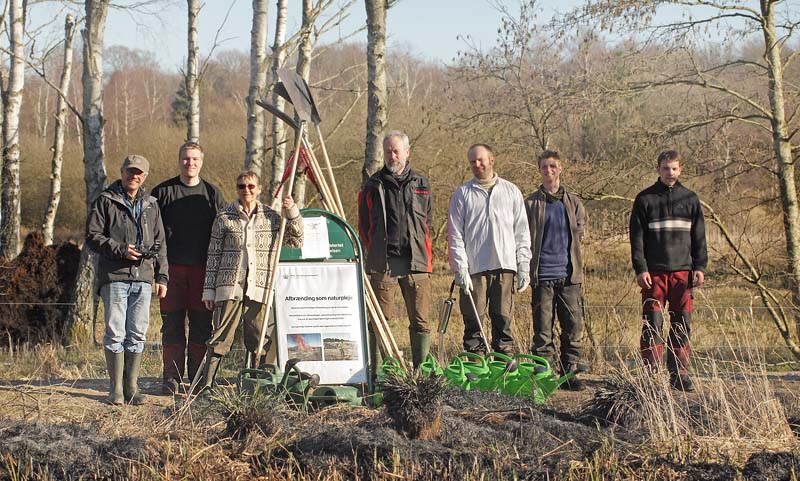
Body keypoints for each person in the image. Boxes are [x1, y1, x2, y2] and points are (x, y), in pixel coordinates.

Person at [195, 171, 303, 391]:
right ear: (237, 188)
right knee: (221, 337)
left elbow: (297, 239)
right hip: (229, 287)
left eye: (251, 186)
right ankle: (206, 386)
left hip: (259, 287)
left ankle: (259, 385)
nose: (247, 190)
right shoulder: (224, 216)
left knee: (259, 337)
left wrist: (291, 210)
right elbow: (213, 255)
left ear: (259, 188)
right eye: (242, 186)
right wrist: (209, 290)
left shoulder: (271, 217)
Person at [86, 155, 169, 405]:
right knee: (114, 333)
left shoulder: (152, 204)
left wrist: (162, 275)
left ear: (145, 176)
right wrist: (120, 249)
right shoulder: (105, 201)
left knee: (137, 333)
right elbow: (92, 236)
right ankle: (116, 391)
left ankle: (132, 388)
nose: (135, 176)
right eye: (130, 171)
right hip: (115, 277)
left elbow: (161, 243)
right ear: (122, 172)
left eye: (139, 173)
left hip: (143, 278)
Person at [151, 140, 225, 395]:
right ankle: (171, 377)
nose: (190, 163)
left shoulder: (212, 194)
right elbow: (152, 233)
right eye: (185, 158)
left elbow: (223, 234)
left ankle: (197, 377)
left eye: (194, 159)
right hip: (170, 270)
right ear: (179, 160)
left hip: (202, 272)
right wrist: (155, 270)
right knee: (171, 325)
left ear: (201, 162)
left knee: (201, 326)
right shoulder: (162, 192)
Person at [630, 149, 707, 391]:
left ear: (680, 169)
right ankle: (651, 375)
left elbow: (699, 237)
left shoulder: (691, 199)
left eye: (674, 168)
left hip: (683, 273)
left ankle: (679, 374)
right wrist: (641, 268)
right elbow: (637, 238)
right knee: (652, 323)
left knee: (681, 324)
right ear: (658, 169)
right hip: (654, 274)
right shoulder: (644, 200)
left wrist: (700, 266)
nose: (670, 173)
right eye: (665, 168)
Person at [447, 144, 532, 356]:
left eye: (480, 160)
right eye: (472, 162)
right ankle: (475, 365)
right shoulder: (462, 194)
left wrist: (523, 265)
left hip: (504, 266)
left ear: (491, 159)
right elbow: (455, 234)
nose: (477, 165)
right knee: (473, 320)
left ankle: (503, 364)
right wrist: (461, 269)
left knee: (503, 318)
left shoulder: (511, 191)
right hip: (474, 268)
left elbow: (521, 231)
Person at [358, 130, 433, 368]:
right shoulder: (373, 185)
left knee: (421, 320)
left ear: (407, 152)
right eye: (388, 151)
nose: (392, 155)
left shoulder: (422, 183)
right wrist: (374, 252)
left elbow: (427, 220)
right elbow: (364, 225)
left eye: (396, 150)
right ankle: (380, 374)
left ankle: (421, 373)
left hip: (416, 262)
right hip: (383, 263)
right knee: (380, 320)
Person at [525, 150, 587, 390]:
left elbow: (580, 233)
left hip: (570, 275)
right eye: (544, 166)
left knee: (573, 328)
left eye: (553, 166)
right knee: (542, 330)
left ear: (560, 169)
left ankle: (569, 374)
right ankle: (543, 375)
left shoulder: (573, 203)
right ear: (539, 170)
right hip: (542, 276)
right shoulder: (530, 203)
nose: (548, 170)